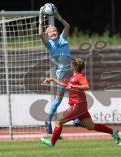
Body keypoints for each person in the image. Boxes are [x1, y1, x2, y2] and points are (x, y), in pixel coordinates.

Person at [40, 58, 120, 147]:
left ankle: (52, 143)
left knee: (59, 122)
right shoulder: (71, 77)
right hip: (81, 106)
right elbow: (64, 84)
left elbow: (87, 86)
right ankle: (113, 132)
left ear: (74, 67)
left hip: (77, 106)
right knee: (90, 126)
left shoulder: (79, 76)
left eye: (71, 65)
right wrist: (52, 79)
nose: (70, 66)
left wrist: (74, 86)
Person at [39, 5, 81, 134]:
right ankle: (47, 120)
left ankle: (76, 118)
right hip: (62, 73)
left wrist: (58, 17)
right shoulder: (49, 44)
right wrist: (41, 17)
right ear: (48, 35)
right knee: (58, 100)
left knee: (76, 95)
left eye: (54, 30)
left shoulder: (63, 38)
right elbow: (40, 33)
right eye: (50, 31)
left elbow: (67, 26)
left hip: (72, 71)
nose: (52, 32)